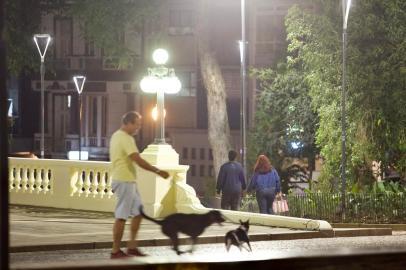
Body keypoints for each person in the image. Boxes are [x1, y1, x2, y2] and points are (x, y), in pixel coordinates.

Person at [109, 111, 170, 259]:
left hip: (127, 180)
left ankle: (132, 247)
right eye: (137, 124)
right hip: (124, 180)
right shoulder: (125, 138)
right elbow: (137, 159)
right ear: (129, 123)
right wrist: (157, 171)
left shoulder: (116, 136)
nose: (139, 127)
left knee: (138, 213)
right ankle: (115, 250)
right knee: (122, 216)